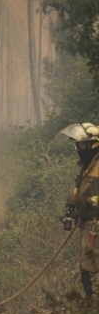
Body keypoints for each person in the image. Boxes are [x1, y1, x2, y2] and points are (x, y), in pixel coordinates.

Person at [60, 122, 99, 298]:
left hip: (95, 226)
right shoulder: (87, 165)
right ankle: (90, 309)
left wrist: (86, 201)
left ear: (94, 144)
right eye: (77, 145)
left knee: (93, 269)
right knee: (85, 267)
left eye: (81, 145)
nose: (78, 149)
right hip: (86, 224)